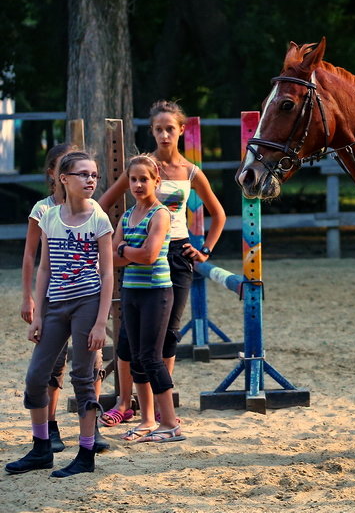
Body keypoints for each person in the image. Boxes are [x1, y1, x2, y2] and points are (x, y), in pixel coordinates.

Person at [97, 100, 225, 427]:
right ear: (151, 131)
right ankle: (125, 403)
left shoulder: (190, 172)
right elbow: (104, 205)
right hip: (139, 250)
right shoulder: (142, 169)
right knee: (128, 333)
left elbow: (219, 214)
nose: (164, 135)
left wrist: (205, 249)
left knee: (167, 335)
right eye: (158, 129)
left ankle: (156, 406)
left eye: (170, 128)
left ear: (182, 130)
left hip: (177, 253)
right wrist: (115, 244)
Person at [6, 151, 113, 477]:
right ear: (62, 179)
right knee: (36, 377)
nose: (90, 180)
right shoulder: (50, 216)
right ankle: (41, 448)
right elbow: (44, 269)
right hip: (55, 305)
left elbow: (107, 274)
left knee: (83, 378)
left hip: (86, 304)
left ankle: (85, 452)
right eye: (82, 174)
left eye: (93, 174)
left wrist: (99, 323)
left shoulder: (99, 219)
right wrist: (37, 313)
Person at [111, 155, 184, 443]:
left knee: (152, 358)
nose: (139, 184)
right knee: (134, 355)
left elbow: (150, 255)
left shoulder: (161, 213)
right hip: (131, 290)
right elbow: (113, 257)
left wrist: (124, 250)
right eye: (133, 179)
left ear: (157, 181)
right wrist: (129, 252)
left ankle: (171, 423)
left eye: (144, 179)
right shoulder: (128, 215)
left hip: (156, 291)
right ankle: (147, 420)